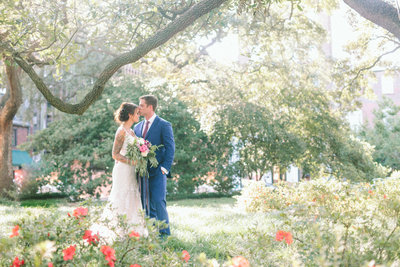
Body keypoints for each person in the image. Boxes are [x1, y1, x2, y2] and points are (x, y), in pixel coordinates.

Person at [134, 95, 175, 236]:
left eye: (141, 105)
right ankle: (152, 234)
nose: (138, 108)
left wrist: (164, 168)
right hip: (141, 172)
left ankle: (165, 234)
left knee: (158, 201)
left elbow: (170, 148)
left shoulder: (164, 125)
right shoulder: (137, 127)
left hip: (158, 171)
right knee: (146, 203)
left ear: (150, 107)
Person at [105, 102, 147, 236]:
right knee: (122, 196)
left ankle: (133, 229)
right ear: (130, 115)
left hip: (131, 170)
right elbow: (115, 154)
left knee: (133, 195)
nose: (139, 116)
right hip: (123, 170)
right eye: (137, 114)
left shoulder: (132, 132)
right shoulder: (121, 132)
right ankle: (118, 230)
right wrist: (132, 161)